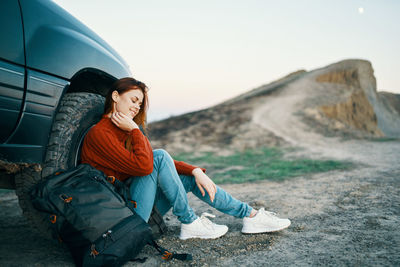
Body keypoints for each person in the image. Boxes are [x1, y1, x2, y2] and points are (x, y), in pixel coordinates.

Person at [81, 77, 291, 240]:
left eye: (140, 104)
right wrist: (136, 130)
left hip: (135, 203)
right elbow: (146, 165)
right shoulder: (100, 133)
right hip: (122, 218)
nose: (137, 108)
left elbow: (152, 163)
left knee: (188, 179)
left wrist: (195, 170)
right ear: (116, 96)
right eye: (133, 100)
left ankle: (250, 216)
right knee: (160, 155)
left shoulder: (123, 130)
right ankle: (189, 221)